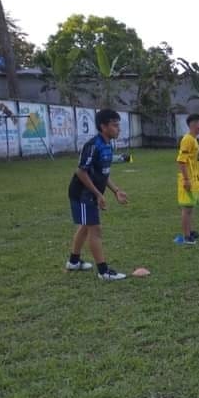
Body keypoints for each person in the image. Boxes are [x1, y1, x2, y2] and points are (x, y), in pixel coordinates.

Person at [66, 108, 129, 281]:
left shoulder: (108, 145)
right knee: (95, 229)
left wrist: (116, 191)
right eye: (115, 125)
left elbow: (103, 174)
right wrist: (98, 194)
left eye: (118, 125)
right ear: (103, 126)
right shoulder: (93, 145)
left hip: (91, 193)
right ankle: (103, 271)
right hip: (82, 193)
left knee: (86, 226)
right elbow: (81, 171)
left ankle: (73, 262)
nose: (118, 129)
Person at [175, 113, 199, 244]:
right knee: (186, 209)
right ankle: (186, 237)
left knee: (190, 208)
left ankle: (190, 231)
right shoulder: (187, 139)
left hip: (194, 179)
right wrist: (186, 180)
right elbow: (181, 161)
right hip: (188, 180)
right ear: (193, 125)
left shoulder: (193, 139)